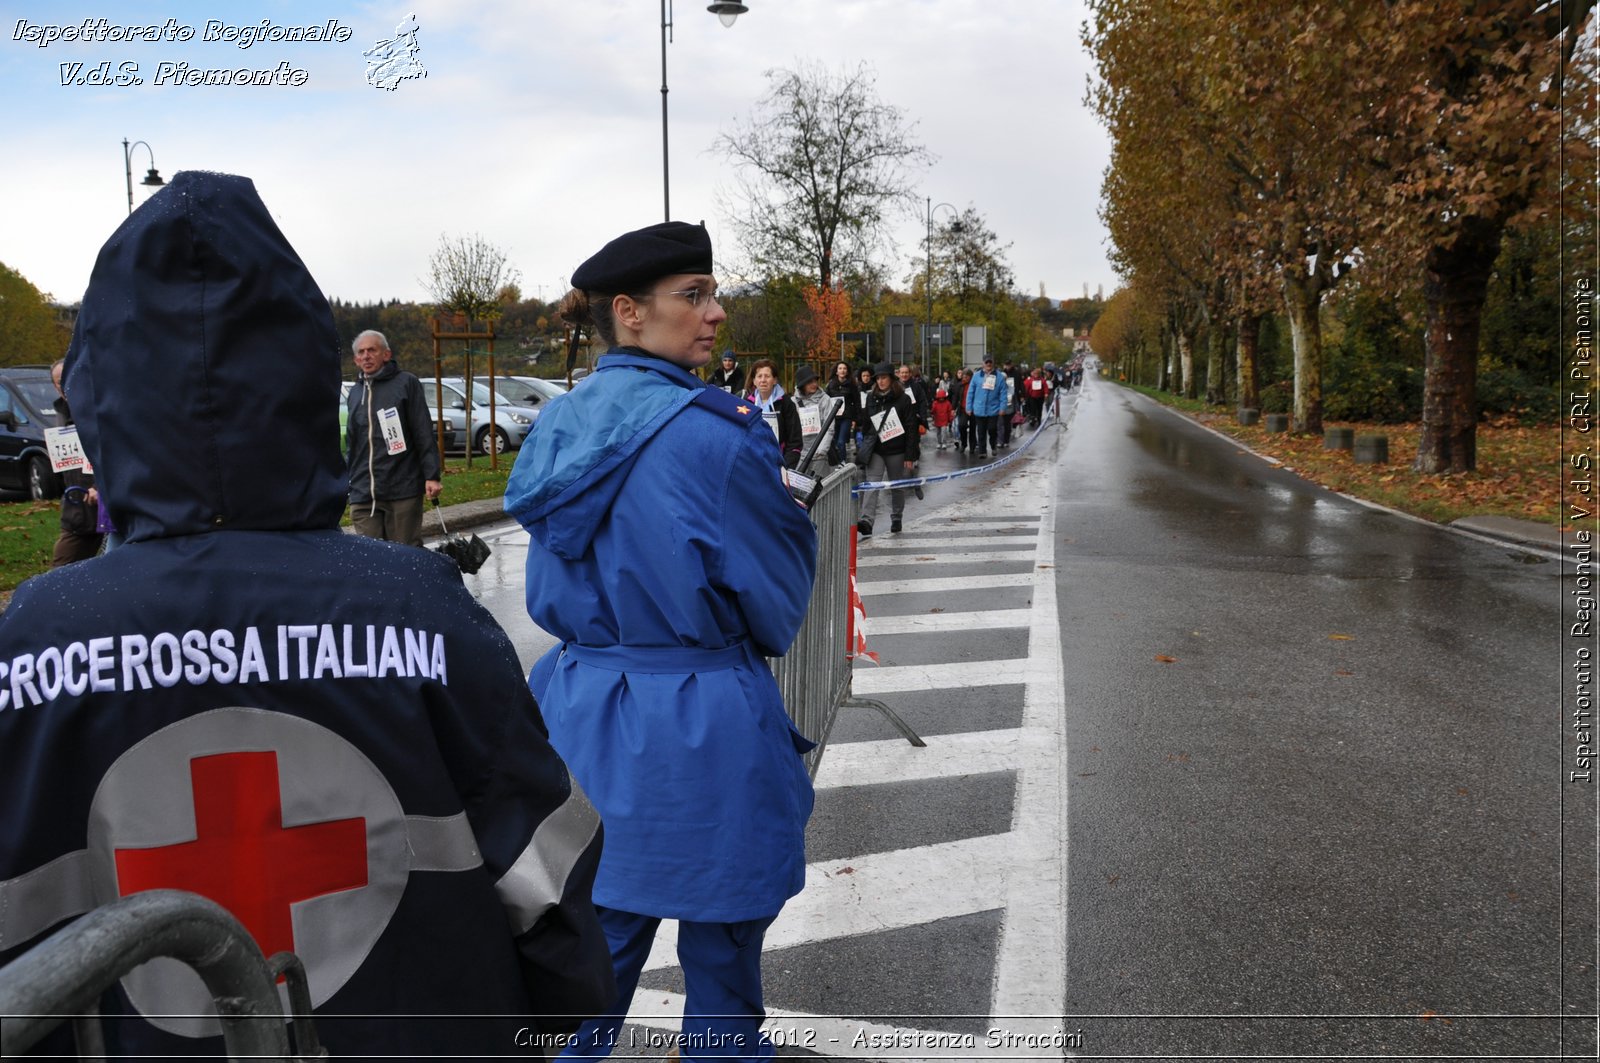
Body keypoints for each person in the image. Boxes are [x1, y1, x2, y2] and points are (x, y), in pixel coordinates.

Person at [0, 171, 613, 1058]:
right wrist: (555, 1010)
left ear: (100, 396)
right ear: (300, 379)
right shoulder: (421, 611)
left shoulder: (32, 641)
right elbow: (548, 875)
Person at [504, 220, 819, 1062]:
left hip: (580, 719)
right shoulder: (718, 436)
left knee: (588, 964)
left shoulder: (557, 428)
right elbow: (777, 601)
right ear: (629, 313)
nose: (716, 312)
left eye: (712, 292)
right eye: (694, 295)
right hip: (702, 724)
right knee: (722, 965)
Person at [346, 329, 442, 546]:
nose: (366, 356)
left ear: (386, 355)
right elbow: (352, 443)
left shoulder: (406, 383)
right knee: (370, 560)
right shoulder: (354, 393)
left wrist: (432, 475)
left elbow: (422, 431)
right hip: (363, 492)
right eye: (361, 352)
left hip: (402, 489)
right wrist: (346, 481)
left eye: (372, 350)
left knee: (404, 556)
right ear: (355, 360)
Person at [47, 358, 103, 566]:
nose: (63, 385)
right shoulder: (61, 413)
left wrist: (99, 486)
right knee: (62, 569)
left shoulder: (98, 408)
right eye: (58, 382)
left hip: (107, 504)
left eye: (66, 378)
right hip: (77, 509)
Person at [857, 361, 920, 536]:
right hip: (876, 448)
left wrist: (910, 455)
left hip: (897, 449)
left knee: (896, 485)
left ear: (892, 379)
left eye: (884, 378)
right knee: (872, 483)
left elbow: (911, 428)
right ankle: (867, 520)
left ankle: (897, 517)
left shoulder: (904, 399)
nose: (881, 381)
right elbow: (866, 422)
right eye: (878, 378)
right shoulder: (871, 397)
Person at [746, 357, 802, 468]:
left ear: (775, 380)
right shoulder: (747, 405)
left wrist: (785, 467)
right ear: (754, 381)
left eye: (767, 376)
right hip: (753, 464)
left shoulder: (786, 404)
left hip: (779, 463)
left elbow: (795, 441)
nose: (763, 380)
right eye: (759, 376)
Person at [791, 362, 839, 478]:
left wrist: (822, 450)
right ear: (802, 385)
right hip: (799, 452)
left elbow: (829, 427)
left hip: (819, 453)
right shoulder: (793, 402)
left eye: (815, 381)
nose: (814, 384)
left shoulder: (825, 399)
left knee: (819, 488)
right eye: (809, 382)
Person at [966, 355, 1006, 458]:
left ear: (993, 363)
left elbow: (1003, 393)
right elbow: (970, 392)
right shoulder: (976, 376)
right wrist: (969, 407)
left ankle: (993, 445)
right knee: (981, 431)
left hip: (993, 409)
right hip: (979, 409)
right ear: (983, 363)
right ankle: (982, 451)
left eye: (990, 362)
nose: (988, 364)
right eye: (986, 362)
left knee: (992, 429)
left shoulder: (999, 377)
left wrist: (1002, 408)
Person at [824, 359, 859, 466]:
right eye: (840, 368)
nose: (842, 370)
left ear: (847, 372)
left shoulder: (852, 385)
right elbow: (825, 401)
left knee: (841, 441)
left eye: (844, 369)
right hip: (834, 418)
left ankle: (842, 462)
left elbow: (857, 402)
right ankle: (837, 461)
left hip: (846, 417)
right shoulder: (830, 385)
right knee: (834, 441)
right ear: (836, 371)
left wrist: (855, 419)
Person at [930, 385, 955, 450]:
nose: (941, 399)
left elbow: (950, 412)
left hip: (944, 420)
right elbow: (932, 411)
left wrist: (950, 420)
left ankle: (944, 443)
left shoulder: (948, 403)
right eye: (940, 397)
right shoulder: (935, 403)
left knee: (944, 432)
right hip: (937, 420)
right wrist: (933, 409)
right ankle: (939, 442)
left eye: (942, 397)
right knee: (938, 432)